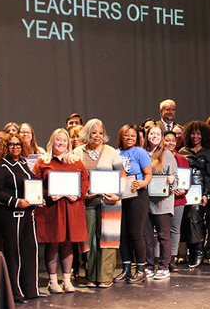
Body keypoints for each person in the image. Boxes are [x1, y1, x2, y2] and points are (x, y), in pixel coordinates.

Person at [33, 128, 90, 293]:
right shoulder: (43, 162)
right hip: (52, 209)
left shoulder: (75, 161)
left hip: (72, 208)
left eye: (64, 141)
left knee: (68, 244)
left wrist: (78, 194)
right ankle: (53, 281)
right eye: (58, 140)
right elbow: (34, 184)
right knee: (53, 244)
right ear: (52, 141)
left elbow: (85, 181)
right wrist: (48, 194)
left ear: (69, 143)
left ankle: (66, 280)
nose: (61, 143)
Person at [0, 132, 40, 301]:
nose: (15, 147)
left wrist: (38, 199)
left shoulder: (24, 163)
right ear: (5, 146)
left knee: (30, 251)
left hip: (28, 215)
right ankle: (15, 292)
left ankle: (31, 290)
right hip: (12, 215)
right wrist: (15, 202)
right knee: (14, 253)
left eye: (18, 144)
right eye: (11, 144)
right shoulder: (1, 166)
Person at [74, 119, 123, 288]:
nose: (97, 136)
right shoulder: (77, 152)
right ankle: (91, 275)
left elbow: (121, 176)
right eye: (94, 132)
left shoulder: (111, 153)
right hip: (86, 202)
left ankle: (105, 276)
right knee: (89, 239)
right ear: (88, 133)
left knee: (107, 239)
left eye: (100, 133)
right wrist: (84, 194)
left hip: (109, 201)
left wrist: (117, 196)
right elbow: (74, 178)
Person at [113, 124, 152, 284]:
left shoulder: (140, 152)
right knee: (123, 234)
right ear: (121, 136)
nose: (129, 138)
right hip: (121, 196)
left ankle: (141, 269)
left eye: (133, 136)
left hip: (138, 196)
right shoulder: (116, 153)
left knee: (136, 233)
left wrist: (142, 183)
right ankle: (126, 269)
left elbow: (149, 174)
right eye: (126, 135)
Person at [179, 121, 210, 268]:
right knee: (185, 220)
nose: (195, 136)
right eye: (193, 133)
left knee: (196, 217)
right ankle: (189, 251)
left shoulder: (208, 152)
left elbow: (209, 175)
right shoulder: (182, 151)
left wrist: (206, 194)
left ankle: (198, 251)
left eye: (198, 134)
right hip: (184, 189)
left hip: (200, 190)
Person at [144, 126, 178, 279]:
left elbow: (175, 177)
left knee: (163, 235)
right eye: (152, 133)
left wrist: (172, 180)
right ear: (147, 135)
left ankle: (164, 266)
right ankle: (149, 266)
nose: (154, 136)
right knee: (147, 236)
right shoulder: (143, 153)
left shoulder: (167, 154)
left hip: (162, 201)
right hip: (145, 200)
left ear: (162, 137)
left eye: (158, 134)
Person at [163, 130, 188, 269]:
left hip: (178, 199)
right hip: (162, 198)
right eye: (167, 140)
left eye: (173, 140)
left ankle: (172, 258)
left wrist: (184, 189)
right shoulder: (158, 157)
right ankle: (160, 258)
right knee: (161, 230)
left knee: (175, 229)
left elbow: (187, 179)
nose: (170, 143)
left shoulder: (182, 159)